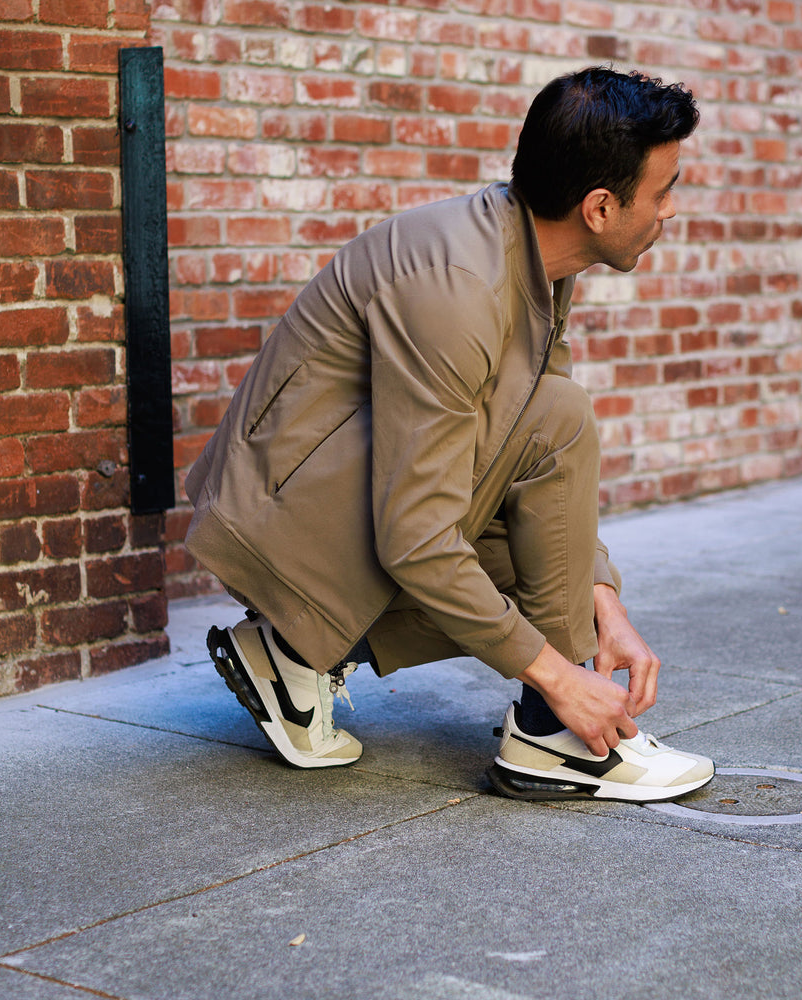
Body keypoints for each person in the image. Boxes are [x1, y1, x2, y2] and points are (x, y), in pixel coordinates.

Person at [187, 66, 714, 802]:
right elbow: (416, 539)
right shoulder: (462, 287)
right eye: (663, 191)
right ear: (599, 207)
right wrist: (561, 678)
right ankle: (546, 726)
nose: (669, 210)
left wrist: (602, 602)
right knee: (552, 440)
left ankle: (298, 654)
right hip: (279, 530)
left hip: (326, 503)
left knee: (557, 459)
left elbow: (544, 443)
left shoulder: (533, 256)